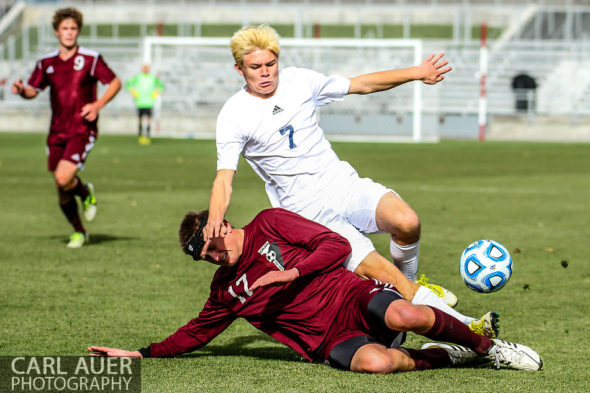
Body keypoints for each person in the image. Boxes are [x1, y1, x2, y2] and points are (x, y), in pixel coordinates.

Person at [205, 24, 488, 333]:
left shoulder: (300, 81)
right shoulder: (233, 114)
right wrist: (215, 218)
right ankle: (468, 327)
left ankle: (411, 287)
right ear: (239, 69)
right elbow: (224, 178)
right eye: (255, 67)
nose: (265, 72)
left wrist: (417, 72)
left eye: (270, 64)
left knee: (407, 221)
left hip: (343, 184)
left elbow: (361, 84)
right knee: (389, 277)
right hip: (308, 214)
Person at [88, 208, 542, 373]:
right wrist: (141, 353)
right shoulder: (225, 290)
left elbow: (336, 244)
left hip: (349, 294)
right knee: (379, 364)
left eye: (211, 243)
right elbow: (196, 332)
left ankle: (489, 347)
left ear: (221, 223)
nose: (212, 255)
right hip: (327, 339)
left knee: (406, 315)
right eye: (201, 256)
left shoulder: (269, 223)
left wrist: (290, 273)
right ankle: (448, 354)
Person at [11, 7, 121, 248]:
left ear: (78, 31)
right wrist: (21, 91)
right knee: (62, 188)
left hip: (82, 128)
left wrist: (98, 104)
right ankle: (80, 231)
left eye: (73, 28)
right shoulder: (46, 63)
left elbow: (114, 82)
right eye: (65, 29)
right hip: (56, 131)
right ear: (56, 31)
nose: (69, 33)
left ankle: (85, 194)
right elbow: (33, 90)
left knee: (63, 177)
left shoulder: (91, 59)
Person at [124, 63, 163, 145]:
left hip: (149, 102)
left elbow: (161, 86)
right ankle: (140, 136)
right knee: (140, 120)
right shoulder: (138, 77)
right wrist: (133, 92)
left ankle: (148, 136)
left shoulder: (152, 78)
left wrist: (155, 93)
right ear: (142, 69)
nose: (145, 69)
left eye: (147, 68)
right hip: (140, 102)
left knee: (148, 119)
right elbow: (128, 84)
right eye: (144, 68)